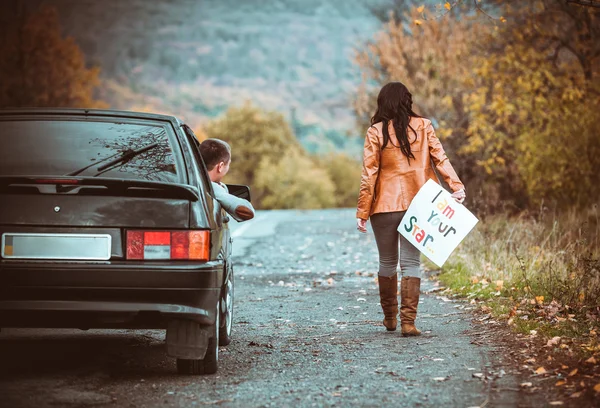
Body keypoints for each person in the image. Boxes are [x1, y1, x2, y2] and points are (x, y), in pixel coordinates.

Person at [356, 82, 465, 336]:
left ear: (382, 103)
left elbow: (368, 174)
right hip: (421, 204)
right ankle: (408, 323)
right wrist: (455, 186)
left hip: (384, 205)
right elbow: (441, 158)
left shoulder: (376, 131)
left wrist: (362, 211)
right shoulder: (424, 126)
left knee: (387, 261)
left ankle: (390, 319)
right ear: (407, 101)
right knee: (410, 263)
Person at [199, 138, 255, 222]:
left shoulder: (187, 179)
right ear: (220, 166)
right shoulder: (211, 188)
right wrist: (221, 191)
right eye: (228, 164)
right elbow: (249, 212)